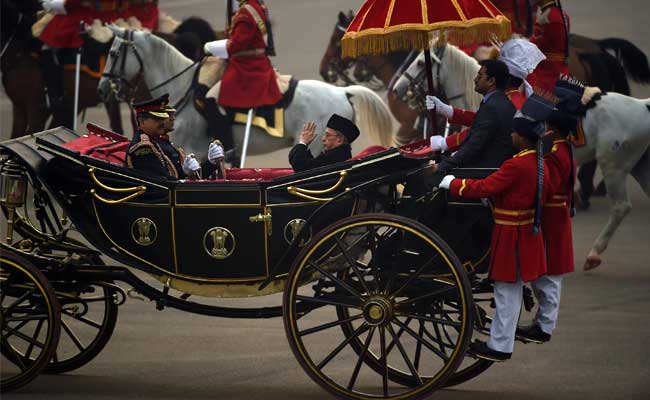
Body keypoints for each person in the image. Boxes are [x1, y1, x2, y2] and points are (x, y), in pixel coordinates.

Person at [438, 94, 554, 361]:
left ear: (522, 138)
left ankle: (500, 346)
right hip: (522, 230)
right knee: (511, 289)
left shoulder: (516, 164)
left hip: (511, 233)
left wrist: (451, 183)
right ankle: (506, 340)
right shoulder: (537, 162)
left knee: (506, 291)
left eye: (514, 133)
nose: (510, 136)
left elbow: (486, 186)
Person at [517, 97, 576, 343]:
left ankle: (544, 326)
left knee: (548, 277)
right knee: (548, 276)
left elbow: (546, 185)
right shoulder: (562, 146)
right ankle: (543, 323)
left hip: (551, 216)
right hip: (556, 215)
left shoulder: (555, 150)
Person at [426, 39, 545, 153]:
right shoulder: (512, 97)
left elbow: (479, 130)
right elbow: (481, 120)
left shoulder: (508, 101)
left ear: (506, 78)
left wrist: (445, 143)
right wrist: (448, 111)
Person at [37, 1, 159, 111]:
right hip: (113, 17)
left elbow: (72, 4)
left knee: (47, 48)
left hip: (89, 18)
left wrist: (53, 4)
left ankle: (54, 95)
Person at [202, 0, 280, 158]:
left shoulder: (245, 12)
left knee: (211, 98)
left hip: (247, 67)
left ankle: (228, 147)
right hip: (252, 62)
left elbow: (235, 45)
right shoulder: (257, 6)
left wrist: (210, 47)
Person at [429, 59, 517, 187]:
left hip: (486, 170)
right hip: (489, 165)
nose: (475, 79)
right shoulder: (498, 102)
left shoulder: (492, 107)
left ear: (491, 81)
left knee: (432, 179)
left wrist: (444, 165)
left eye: (480, 76)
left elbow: (474, 146)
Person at [126, 94, 224, 180]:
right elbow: (162, 181)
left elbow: (177, 176)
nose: (163, 122)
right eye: (157, 119)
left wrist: (211, 162)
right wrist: (185, 172)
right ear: (142, 122)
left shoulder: (155, 143)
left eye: (163, 118)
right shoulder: (143, 148)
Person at [288, 114, 359, 172]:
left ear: (339, 139)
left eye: (327, 135)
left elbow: (299, 166)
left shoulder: (333, 158)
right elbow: (296, 161)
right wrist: (303, 144)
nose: (323, 139)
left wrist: (303, 142)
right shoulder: (339, 155)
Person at [527, 0, 570, 93]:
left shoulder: (548, 17)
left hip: (548, 72)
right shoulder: (560, 14)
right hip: (559, 68)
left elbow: (534, 46)